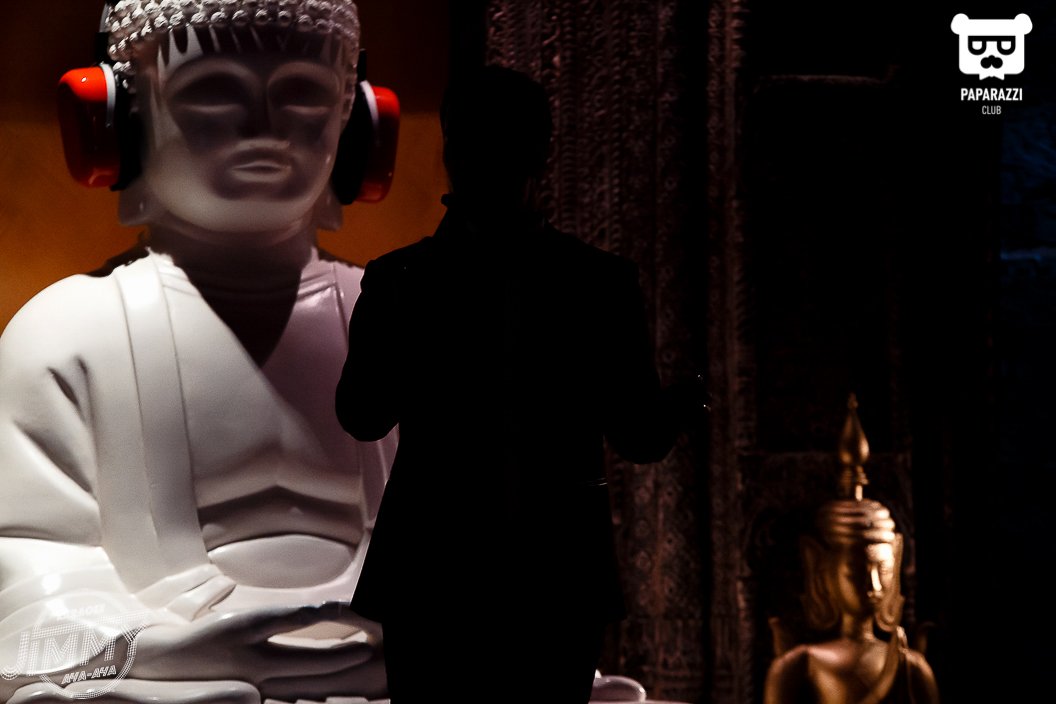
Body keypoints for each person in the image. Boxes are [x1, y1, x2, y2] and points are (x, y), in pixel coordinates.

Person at [0, 2, 395, 702]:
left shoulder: (409, 317)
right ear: (120, 114)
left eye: (302, 93)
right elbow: (26, 553)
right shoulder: (66, 330)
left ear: (354, 116)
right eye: (214, 90)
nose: (264, 127)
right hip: (172, 676)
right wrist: (143, 647)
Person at [336, 65, 703, 704]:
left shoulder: (401, 279)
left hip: (433, 572)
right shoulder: (599, 282)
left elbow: (362, 414)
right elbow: (640, 435)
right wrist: (693, 393)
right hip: (555, 575)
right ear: (541, 155)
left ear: (451, 154)